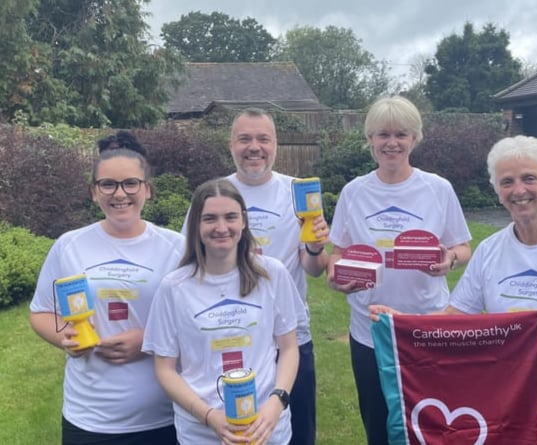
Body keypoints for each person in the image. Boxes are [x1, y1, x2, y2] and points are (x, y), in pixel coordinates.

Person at [371, 135, 537, 444]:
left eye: (529, 179)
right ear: (498, 191)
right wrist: (402, 326)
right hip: (513, 417)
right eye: (507, 182)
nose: (519, 191)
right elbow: (453, 320)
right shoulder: (489, 251)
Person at [327, 95, 472, 445]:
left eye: (401, 134)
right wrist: (338, 278)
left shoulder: (437, 189)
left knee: (433, 423)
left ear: (415, 138)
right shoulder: (354, 192)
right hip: (369, 329)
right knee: (378, 421)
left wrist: (448, 260)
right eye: (382, 134)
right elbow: (339, 252)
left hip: (427, 324)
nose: (391, 143)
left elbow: (463, 247)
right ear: (370, 140)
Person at [182, 107, 329, 445]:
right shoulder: (212, 195)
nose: (254, 147)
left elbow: (314, 269)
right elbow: (189, 261)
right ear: (231, 144)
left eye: (263, 139)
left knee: (295, 432)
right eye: (245, 138)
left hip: (290, 338)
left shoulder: (298, 192)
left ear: (276, 144)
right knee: (234, 432)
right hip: (229, 331)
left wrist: (318, 248)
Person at [29, 144, 184, 444]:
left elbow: (193, 319)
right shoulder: (69, 245)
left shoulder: (176, 247)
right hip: (88, 416)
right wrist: (65, 338)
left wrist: (147, 341)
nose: (120, 193)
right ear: (94, 192)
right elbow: (42, 312)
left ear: (148, 190)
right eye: (108, 184)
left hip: (162, 414)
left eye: (131, 183)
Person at [144, 178, 300, 444]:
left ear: (244, 221)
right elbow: (165, 369)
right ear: (196, 225)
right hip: (201, 431)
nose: (221, 228)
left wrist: (277, 403)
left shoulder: (272, 273)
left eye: (230, 217)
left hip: (266, 428)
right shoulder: (174, 287)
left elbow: (288, 348)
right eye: (210, 219)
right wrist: (207, 416)